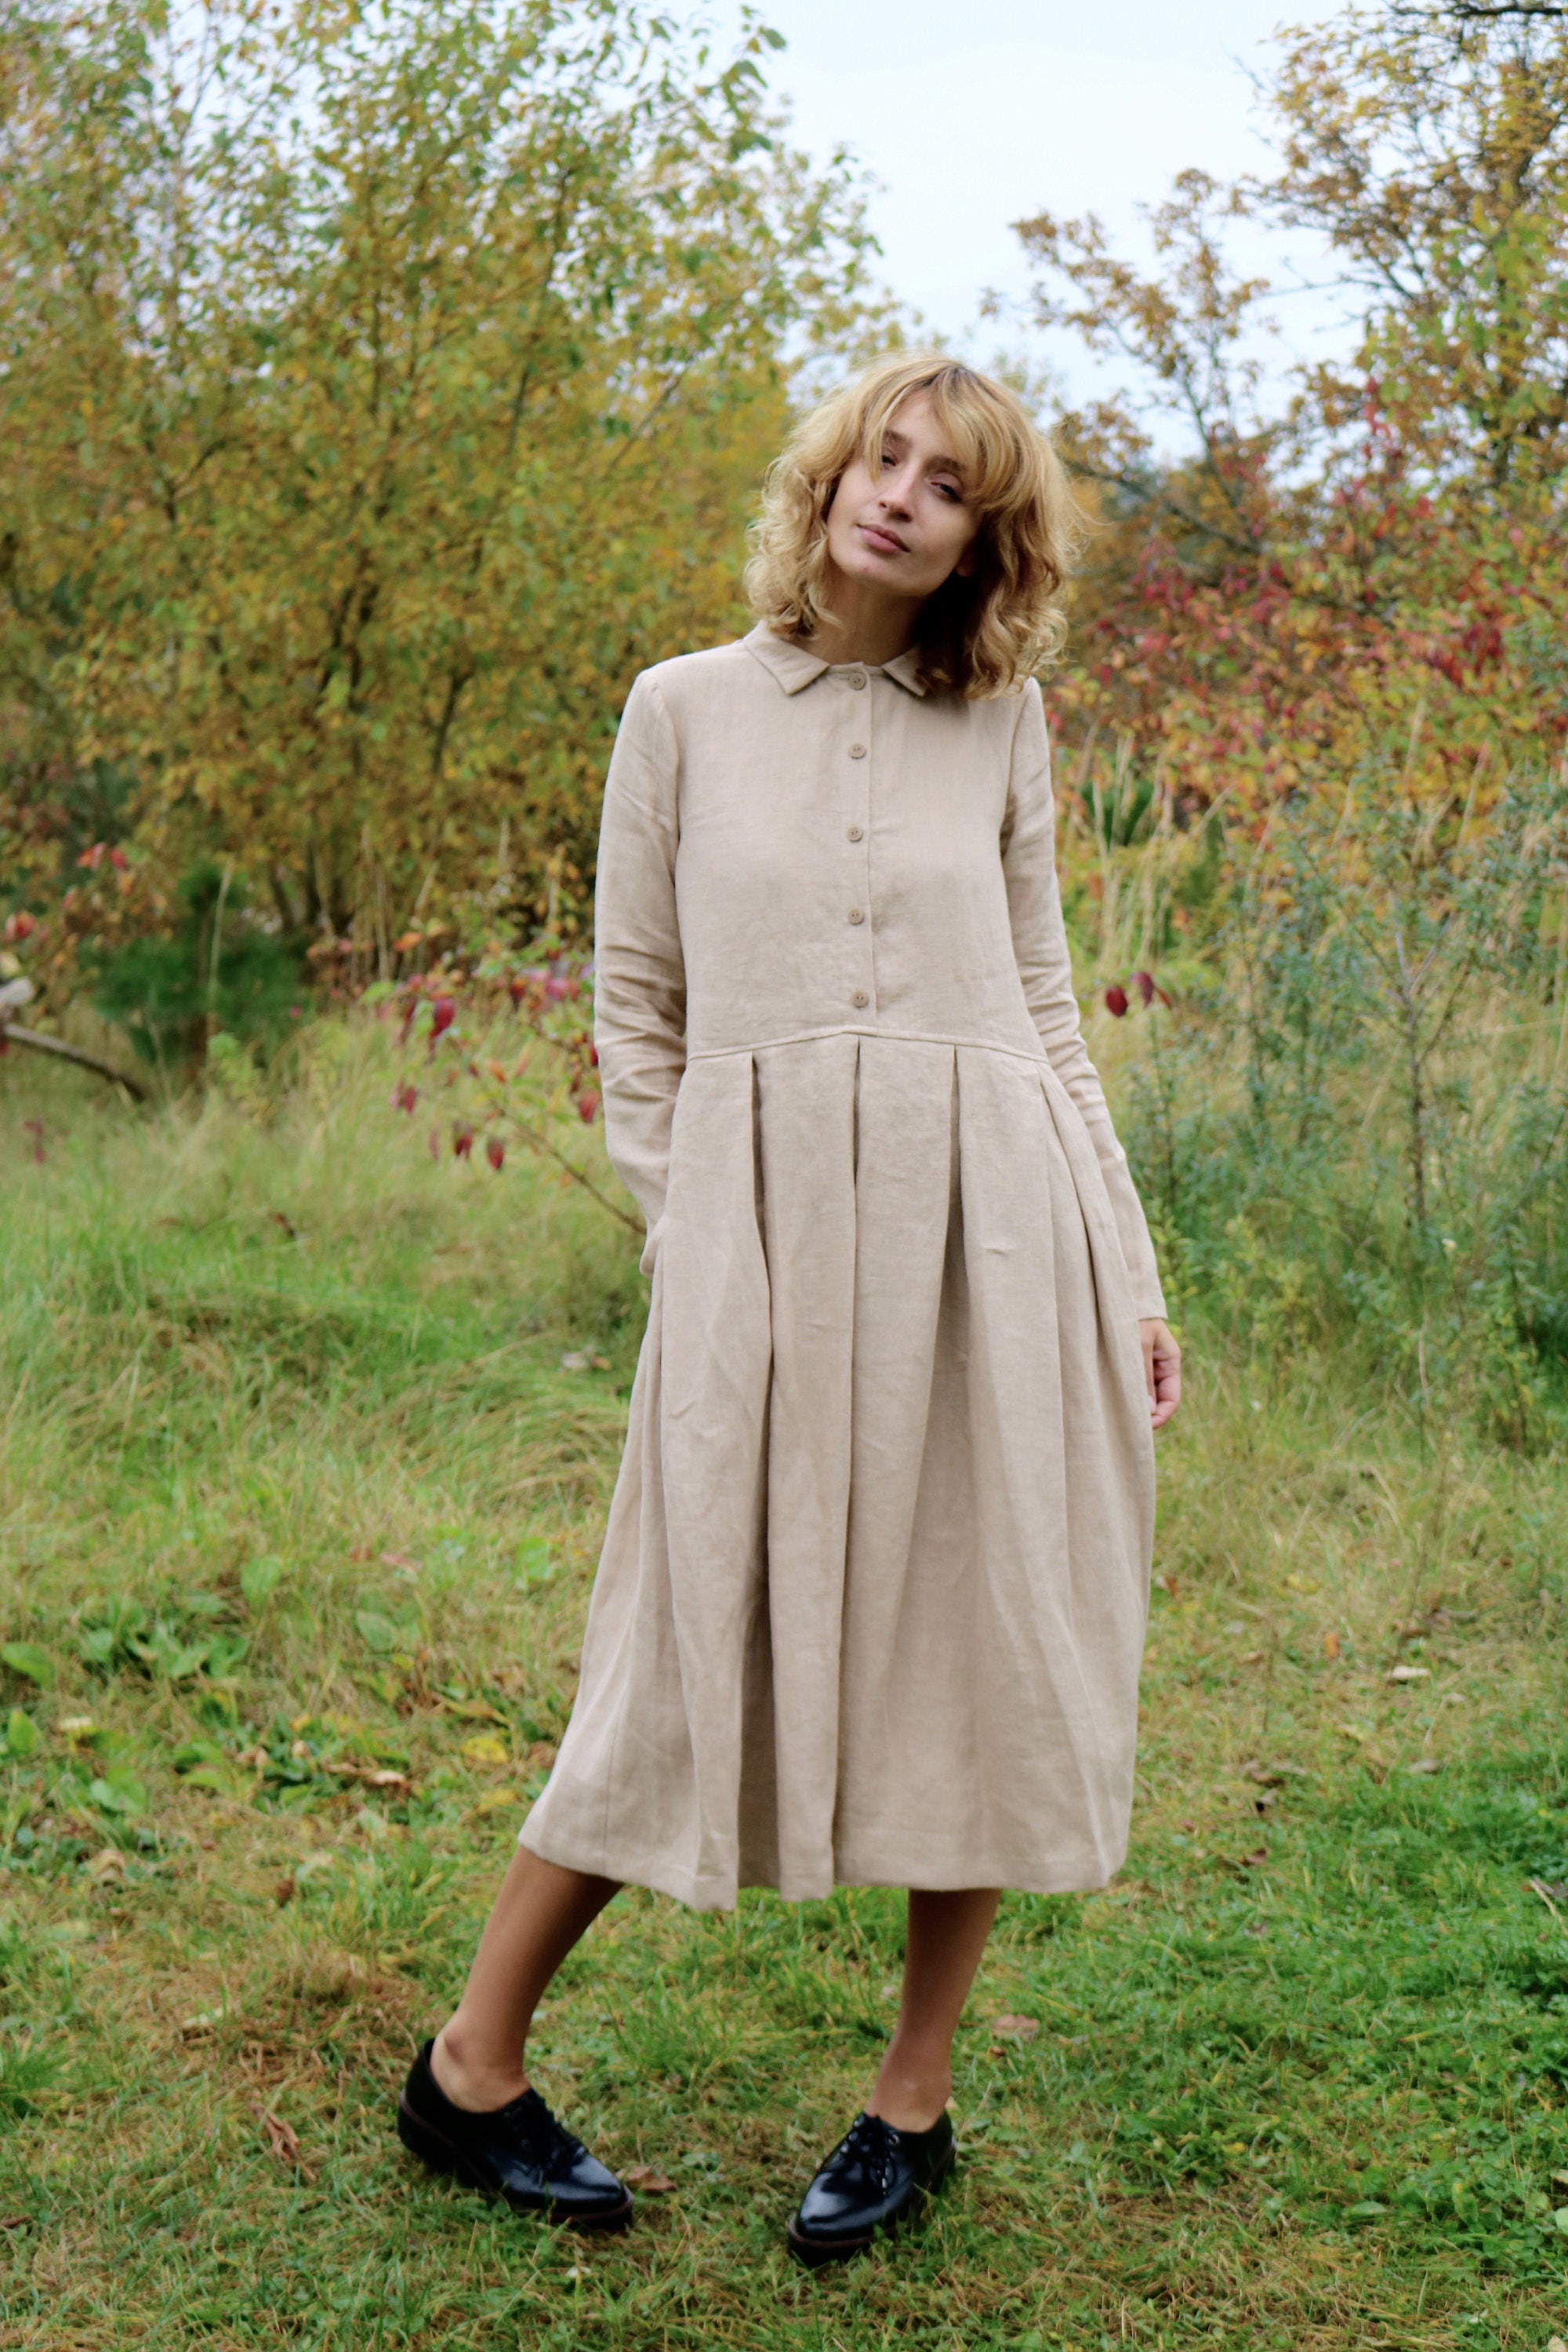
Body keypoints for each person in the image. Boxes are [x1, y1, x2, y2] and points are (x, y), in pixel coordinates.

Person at [395, 352, 1183, 2267]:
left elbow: (1047, 1008)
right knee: (674, 1636)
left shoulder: (1004, 726)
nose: (894, 495)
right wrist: (694, 1234)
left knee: (985, 1634)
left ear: (982, 551)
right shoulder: (677, 712)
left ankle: (910, 2101)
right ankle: (469, 2068)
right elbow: (636, 1013)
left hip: (995, 1229)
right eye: (878, 458)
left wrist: (1127, 1264)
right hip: (759, 1233)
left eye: (945, 488)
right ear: (830, 477)